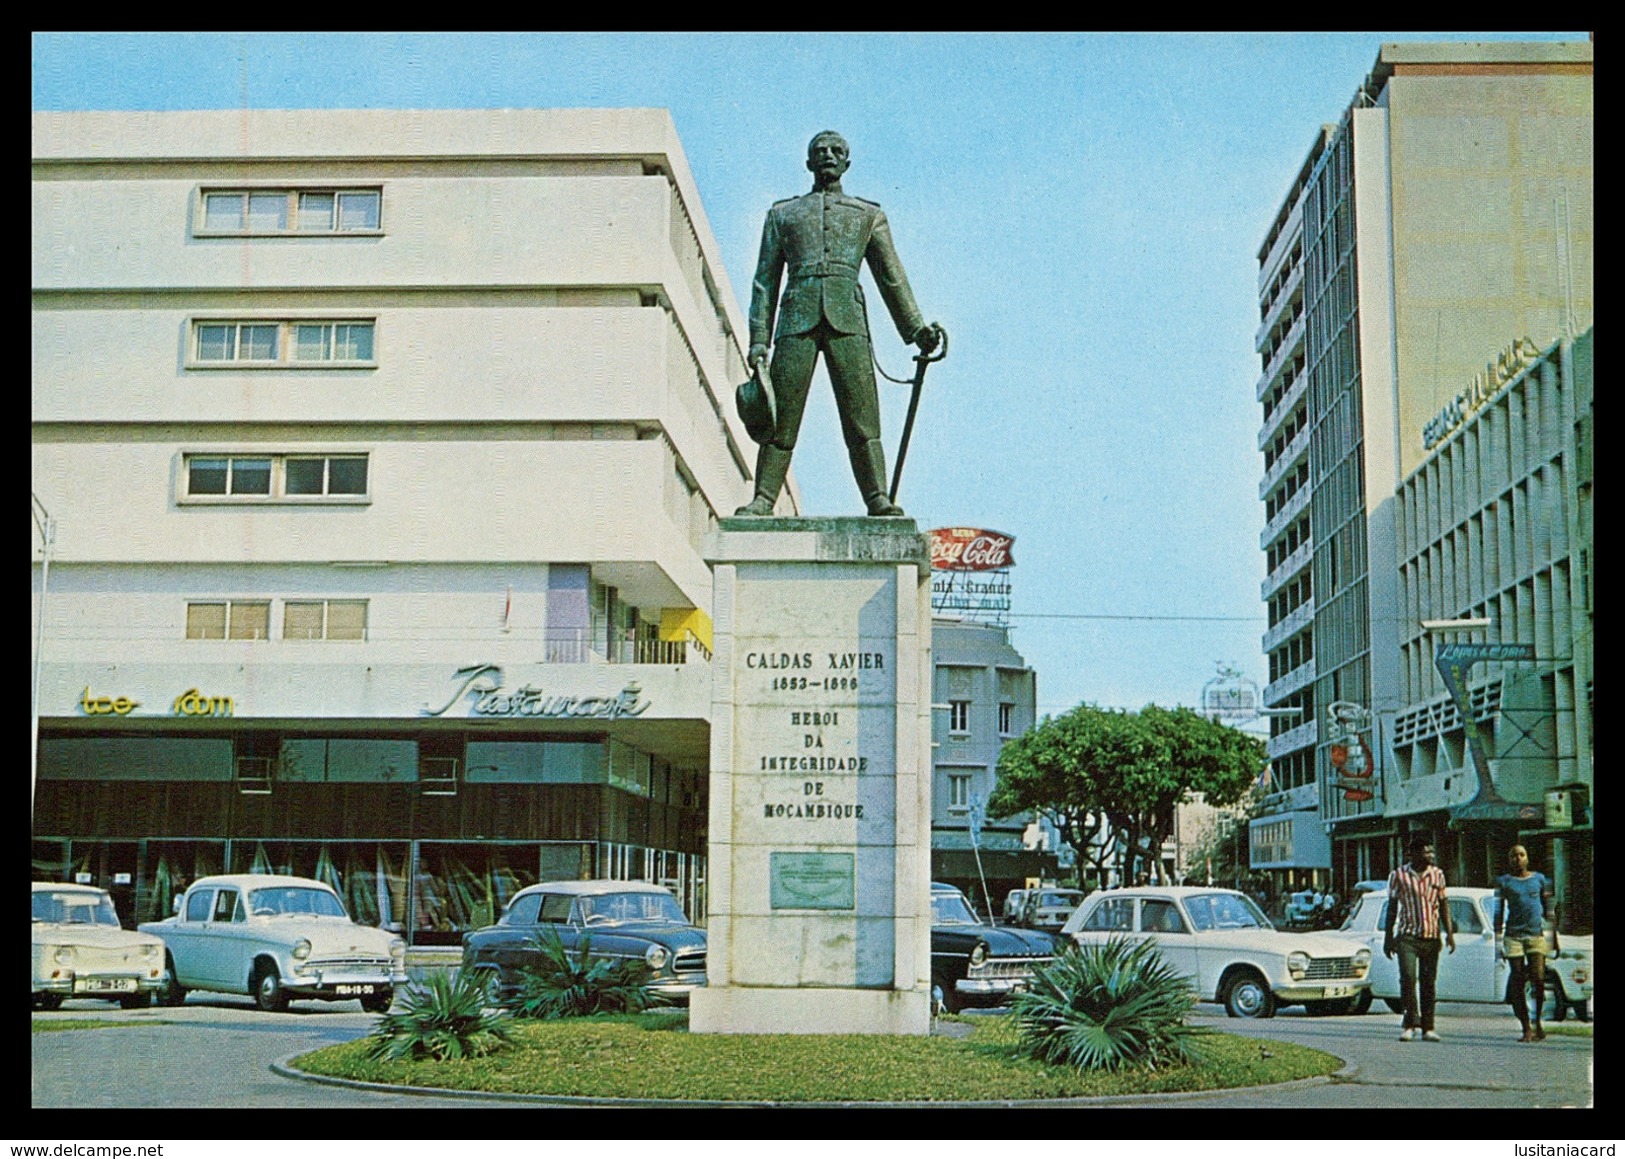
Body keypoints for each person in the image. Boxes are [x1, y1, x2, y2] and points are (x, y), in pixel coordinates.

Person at [736, 131, 940, 518]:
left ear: (847, 161)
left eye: (836, 151)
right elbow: (765, 281)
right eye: (819, 152)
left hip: (848, 319)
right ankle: (764, 498)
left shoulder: (868, 215)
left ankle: (877, 497)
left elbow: (890, 276)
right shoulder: (783, 215)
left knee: (861, 415)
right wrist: (759, 341)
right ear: (808, 163)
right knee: (782, 415)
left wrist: (916, 330)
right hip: (795, 320)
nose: (828, 156)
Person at [1384, 836, 1456, 1042]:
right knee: (1407, 978)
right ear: (1412, 854)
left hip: (1431, 936)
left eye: (1432, 852)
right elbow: (1392, 907)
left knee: (1428, 982)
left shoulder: (1438, 875)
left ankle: (1428, 1027)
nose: (1430, 856)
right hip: (1407, 936)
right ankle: (1409, 1023)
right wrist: (1388, 937)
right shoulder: (1398, 875)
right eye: (1426, 852)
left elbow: (1444, 905)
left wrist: (1449, 933)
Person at [1494, 843, 1558, 1042]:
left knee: (1538, 978)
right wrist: (1498, 946)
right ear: (1509, 860)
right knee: (1518, 979)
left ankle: (1537, 1021)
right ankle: (1525, 1027)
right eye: (1514, 856)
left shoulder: (1540, 880)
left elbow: (1549, 912)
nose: (1518, 859)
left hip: (1536, 935)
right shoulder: (1503, 882)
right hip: (1513, 936)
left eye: (1522, 855)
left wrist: (1553, 939)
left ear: (1527, 858)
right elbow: (1498, 913)